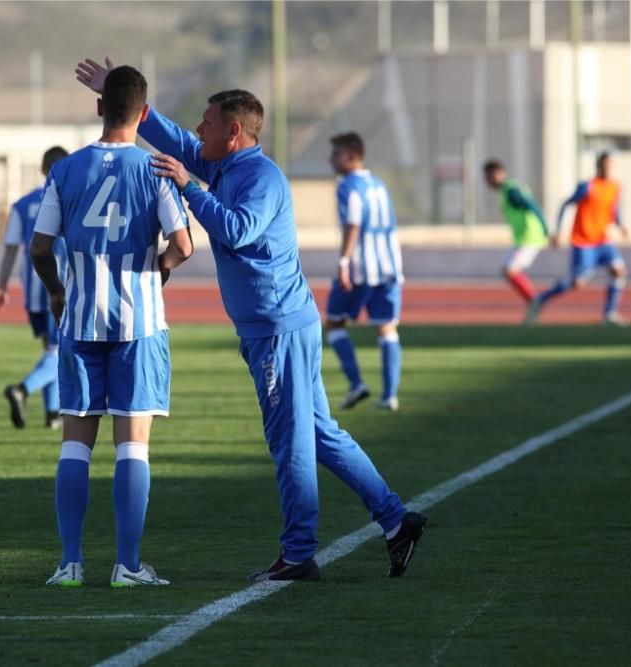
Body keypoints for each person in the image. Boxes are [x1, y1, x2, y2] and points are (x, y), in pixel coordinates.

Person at [76, 57, 426, 582]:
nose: (199, 132)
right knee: (321, 434)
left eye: (209, 124)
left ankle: (300, 551)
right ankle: (397, 521)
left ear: (233, 132)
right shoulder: (227, 165)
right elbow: (178, 144)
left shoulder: (259, 176)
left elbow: (237, 229)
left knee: (291, 443)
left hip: (278, 329)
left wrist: (191, 189)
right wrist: (130, 102)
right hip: (281, 325)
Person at [30, 65, 194, 587]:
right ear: (143, 114)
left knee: (75, 444)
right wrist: (160, 268)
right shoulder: (156, 169)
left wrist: (57, 290)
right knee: (133, 446)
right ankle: (126, 565)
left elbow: (39, 248)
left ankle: (69, 564)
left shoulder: (66, 170)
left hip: (79, 321)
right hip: (139, 324)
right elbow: (184, 244)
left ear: (99, 106)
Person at [324, 133, 404, 411]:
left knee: (334, 324)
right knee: (386, 328)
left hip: (360, 269)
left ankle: (357, 383)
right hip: (390, 267)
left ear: (349, 155)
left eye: (335, 154)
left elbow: (354, 223)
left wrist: (344, 263)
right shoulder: (378, 183)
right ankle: (390, 396)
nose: (331, 160)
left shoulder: (348, 185)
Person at [0, 146, 70, 430]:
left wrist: (1, 285)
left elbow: (11, 249)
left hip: (32, 290)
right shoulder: (70, 199)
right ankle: (22, 390)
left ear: (42, 169)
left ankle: (52, 415)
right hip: (59, 287)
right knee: (59, 352)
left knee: (50, 349)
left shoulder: (22, 205)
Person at [528, 152, 629, 325]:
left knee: (619, 271)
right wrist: (559, 231)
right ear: (598, 166)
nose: (607, 168)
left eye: (610, 165)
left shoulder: (615, 186)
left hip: (603, 240)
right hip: (584, 242)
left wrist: (620, 224)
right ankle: (540, 299)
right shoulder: (587, 186)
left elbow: (613, 209)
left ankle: (609, 314)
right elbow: (566, 204)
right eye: (604, 165)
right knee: (577, 283)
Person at [482, 159, 549, 308]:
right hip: (522, 238)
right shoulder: (506, 190)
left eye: (489, 176)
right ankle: (533, 301)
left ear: (499, 174)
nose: (487, 181)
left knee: (510, 270)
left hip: (530, 237)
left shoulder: (511, 190)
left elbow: (532, 205)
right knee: (507, 270)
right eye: (486, 177)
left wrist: (546, 229)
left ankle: (535, 301)